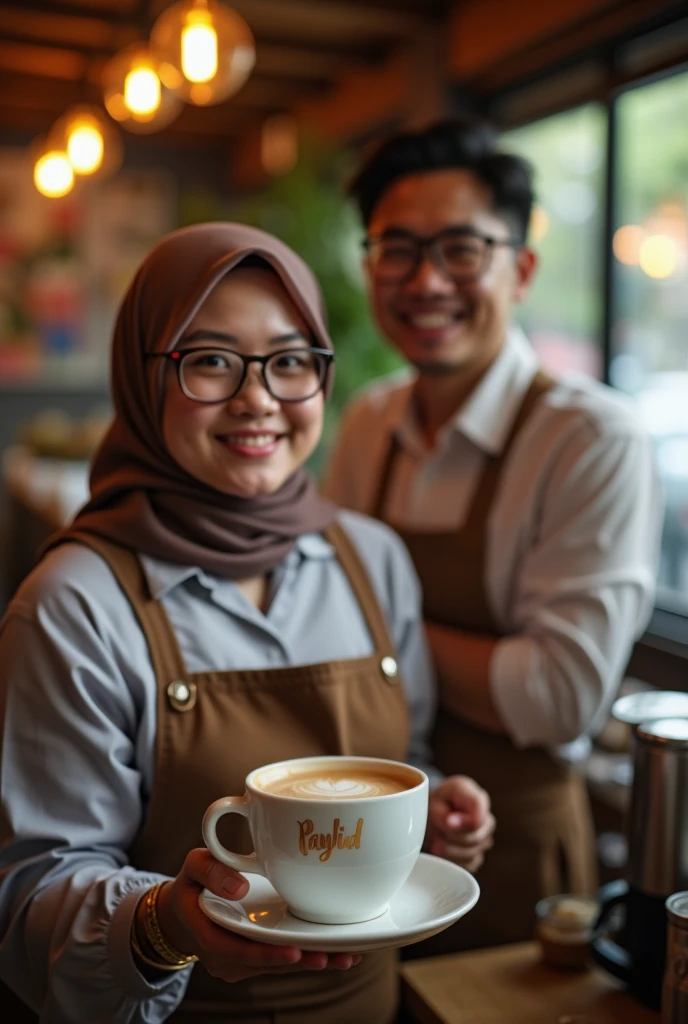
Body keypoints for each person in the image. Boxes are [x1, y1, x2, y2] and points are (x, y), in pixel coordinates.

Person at [0, 223, 494, 1024]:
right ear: (143, 376)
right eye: (210, 360)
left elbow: (406, 761)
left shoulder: (373, 559)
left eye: (291, 360)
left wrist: (429, 821)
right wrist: (165, 929)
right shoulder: (73, 602)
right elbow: (30, 895)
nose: (259, 397)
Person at [323, 118, 662, 953]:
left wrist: (376, 640)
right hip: (360, 845)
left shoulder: (590, 439)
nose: (427, 280)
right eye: (397, 249)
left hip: (514, 860)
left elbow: (558, 694)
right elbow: (313, 606)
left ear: (524, 268)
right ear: (370, 267)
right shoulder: (368, 421)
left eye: (462, 250)